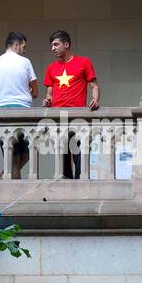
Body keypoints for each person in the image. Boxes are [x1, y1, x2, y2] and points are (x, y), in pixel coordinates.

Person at [41, 29, 100, 179]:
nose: (52, 48)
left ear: (66, 44)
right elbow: (49, 94)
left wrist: (96, 99)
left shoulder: (83, 62)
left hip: (78, 117)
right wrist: (47, 100)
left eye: (56, 44)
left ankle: (80, 187)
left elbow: (94, 86)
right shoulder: (51, 68)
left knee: (80, 157)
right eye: (52, 45)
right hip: (58, 118)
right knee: (63, 161)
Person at [0, 32, 37, 178]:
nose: (24, 50)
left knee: (18, 156)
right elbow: (35, 91)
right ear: (16, 45)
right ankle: (11, 193)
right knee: (17, 158)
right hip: (21, 111)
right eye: (23, 46)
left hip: (0, 112)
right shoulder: (25, 62)